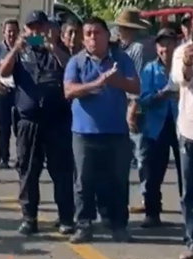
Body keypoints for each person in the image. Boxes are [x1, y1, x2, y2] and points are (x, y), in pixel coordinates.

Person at [0, 10, 74, 237]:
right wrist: (16, 48)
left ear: (47, 28)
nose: (36, 32)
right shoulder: (21, 53)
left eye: (40, 27)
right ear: (25, 30)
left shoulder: (58, 50)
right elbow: (3, 72)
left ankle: (66, 217)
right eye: (32, 28)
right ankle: (29, 218)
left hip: (56, 120)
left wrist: (53, 48)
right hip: (28, 121)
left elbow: (70, 67)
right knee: (28, 171)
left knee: (61, 171)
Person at [64, 16, 139, 244]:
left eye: (97, 33)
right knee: (84, 181)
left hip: (116, 132)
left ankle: (118, 225)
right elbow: (68, 91)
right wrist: (94, 85)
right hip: (84, 134)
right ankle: (84, 226)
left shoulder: (121, 59)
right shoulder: (76, 62)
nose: (92, 38)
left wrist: (116, 81)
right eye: (88, 34)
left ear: (108, 36)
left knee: (117, 181)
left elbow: (135, 87)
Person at [138, 29, 181, 229]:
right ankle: (152, 213)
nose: (166, 49)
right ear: (157, 48)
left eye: (169, 44)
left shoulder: (184, 67)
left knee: (187, 173)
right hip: (156, 127)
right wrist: (159, 95)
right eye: (162, 45)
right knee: (153, 173)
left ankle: (188, 216)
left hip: (182, 126)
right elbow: (143, 99)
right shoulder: (149, 70)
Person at [113, 9, 154, 212]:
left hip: (137, 104)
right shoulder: (127, 48)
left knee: (140, 150)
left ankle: (148, 198)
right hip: (129, 103)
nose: (119, 32)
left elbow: (139, 82)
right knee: (134, 152)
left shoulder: (137, 49)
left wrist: (134, 107)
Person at [171, 35, 193, 259]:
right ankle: (192, 239)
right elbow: (180, 79)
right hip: (189, 132)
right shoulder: (182, 52)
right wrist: (188, 63)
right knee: (190, 191)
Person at [0, 18, 19, 169]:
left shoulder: (24, 47)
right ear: (3, 33)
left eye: (14, 31)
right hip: (5, 91)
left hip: (21, 92)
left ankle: (22, 157)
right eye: (9, 31)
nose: (11, 35)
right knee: (4, 127)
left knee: (20, 127)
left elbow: (41, 39)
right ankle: (3, 158)